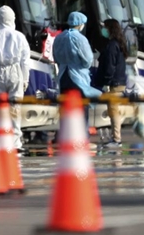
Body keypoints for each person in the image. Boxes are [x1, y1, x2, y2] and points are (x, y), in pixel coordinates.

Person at [0, 6, 30, 151]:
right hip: (15, 72)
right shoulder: (20, 37)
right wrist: (25, 79)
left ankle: (0, 141)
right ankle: (15, 143)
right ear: (13, 18)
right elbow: (25, 61)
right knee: (15, 108)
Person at [92, 19, 128, 149]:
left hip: (114, 83)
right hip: (119, 82)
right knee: (114, 110)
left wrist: (106, 81)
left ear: (110, 29)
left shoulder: (112, 45)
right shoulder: (119, 43)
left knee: (113, 111)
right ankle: (115, 138)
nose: (103, 30)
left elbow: (110, 66)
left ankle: (116, 139)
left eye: (105, 27)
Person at [53, 11, 102, 99]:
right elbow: (88, 59)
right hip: (78, 77)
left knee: (66, 105)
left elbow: (56, 58)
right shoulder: (80, 39)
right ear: (80, 24)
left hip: (63, 76)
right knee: (80, 106)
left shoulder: (59, 37)